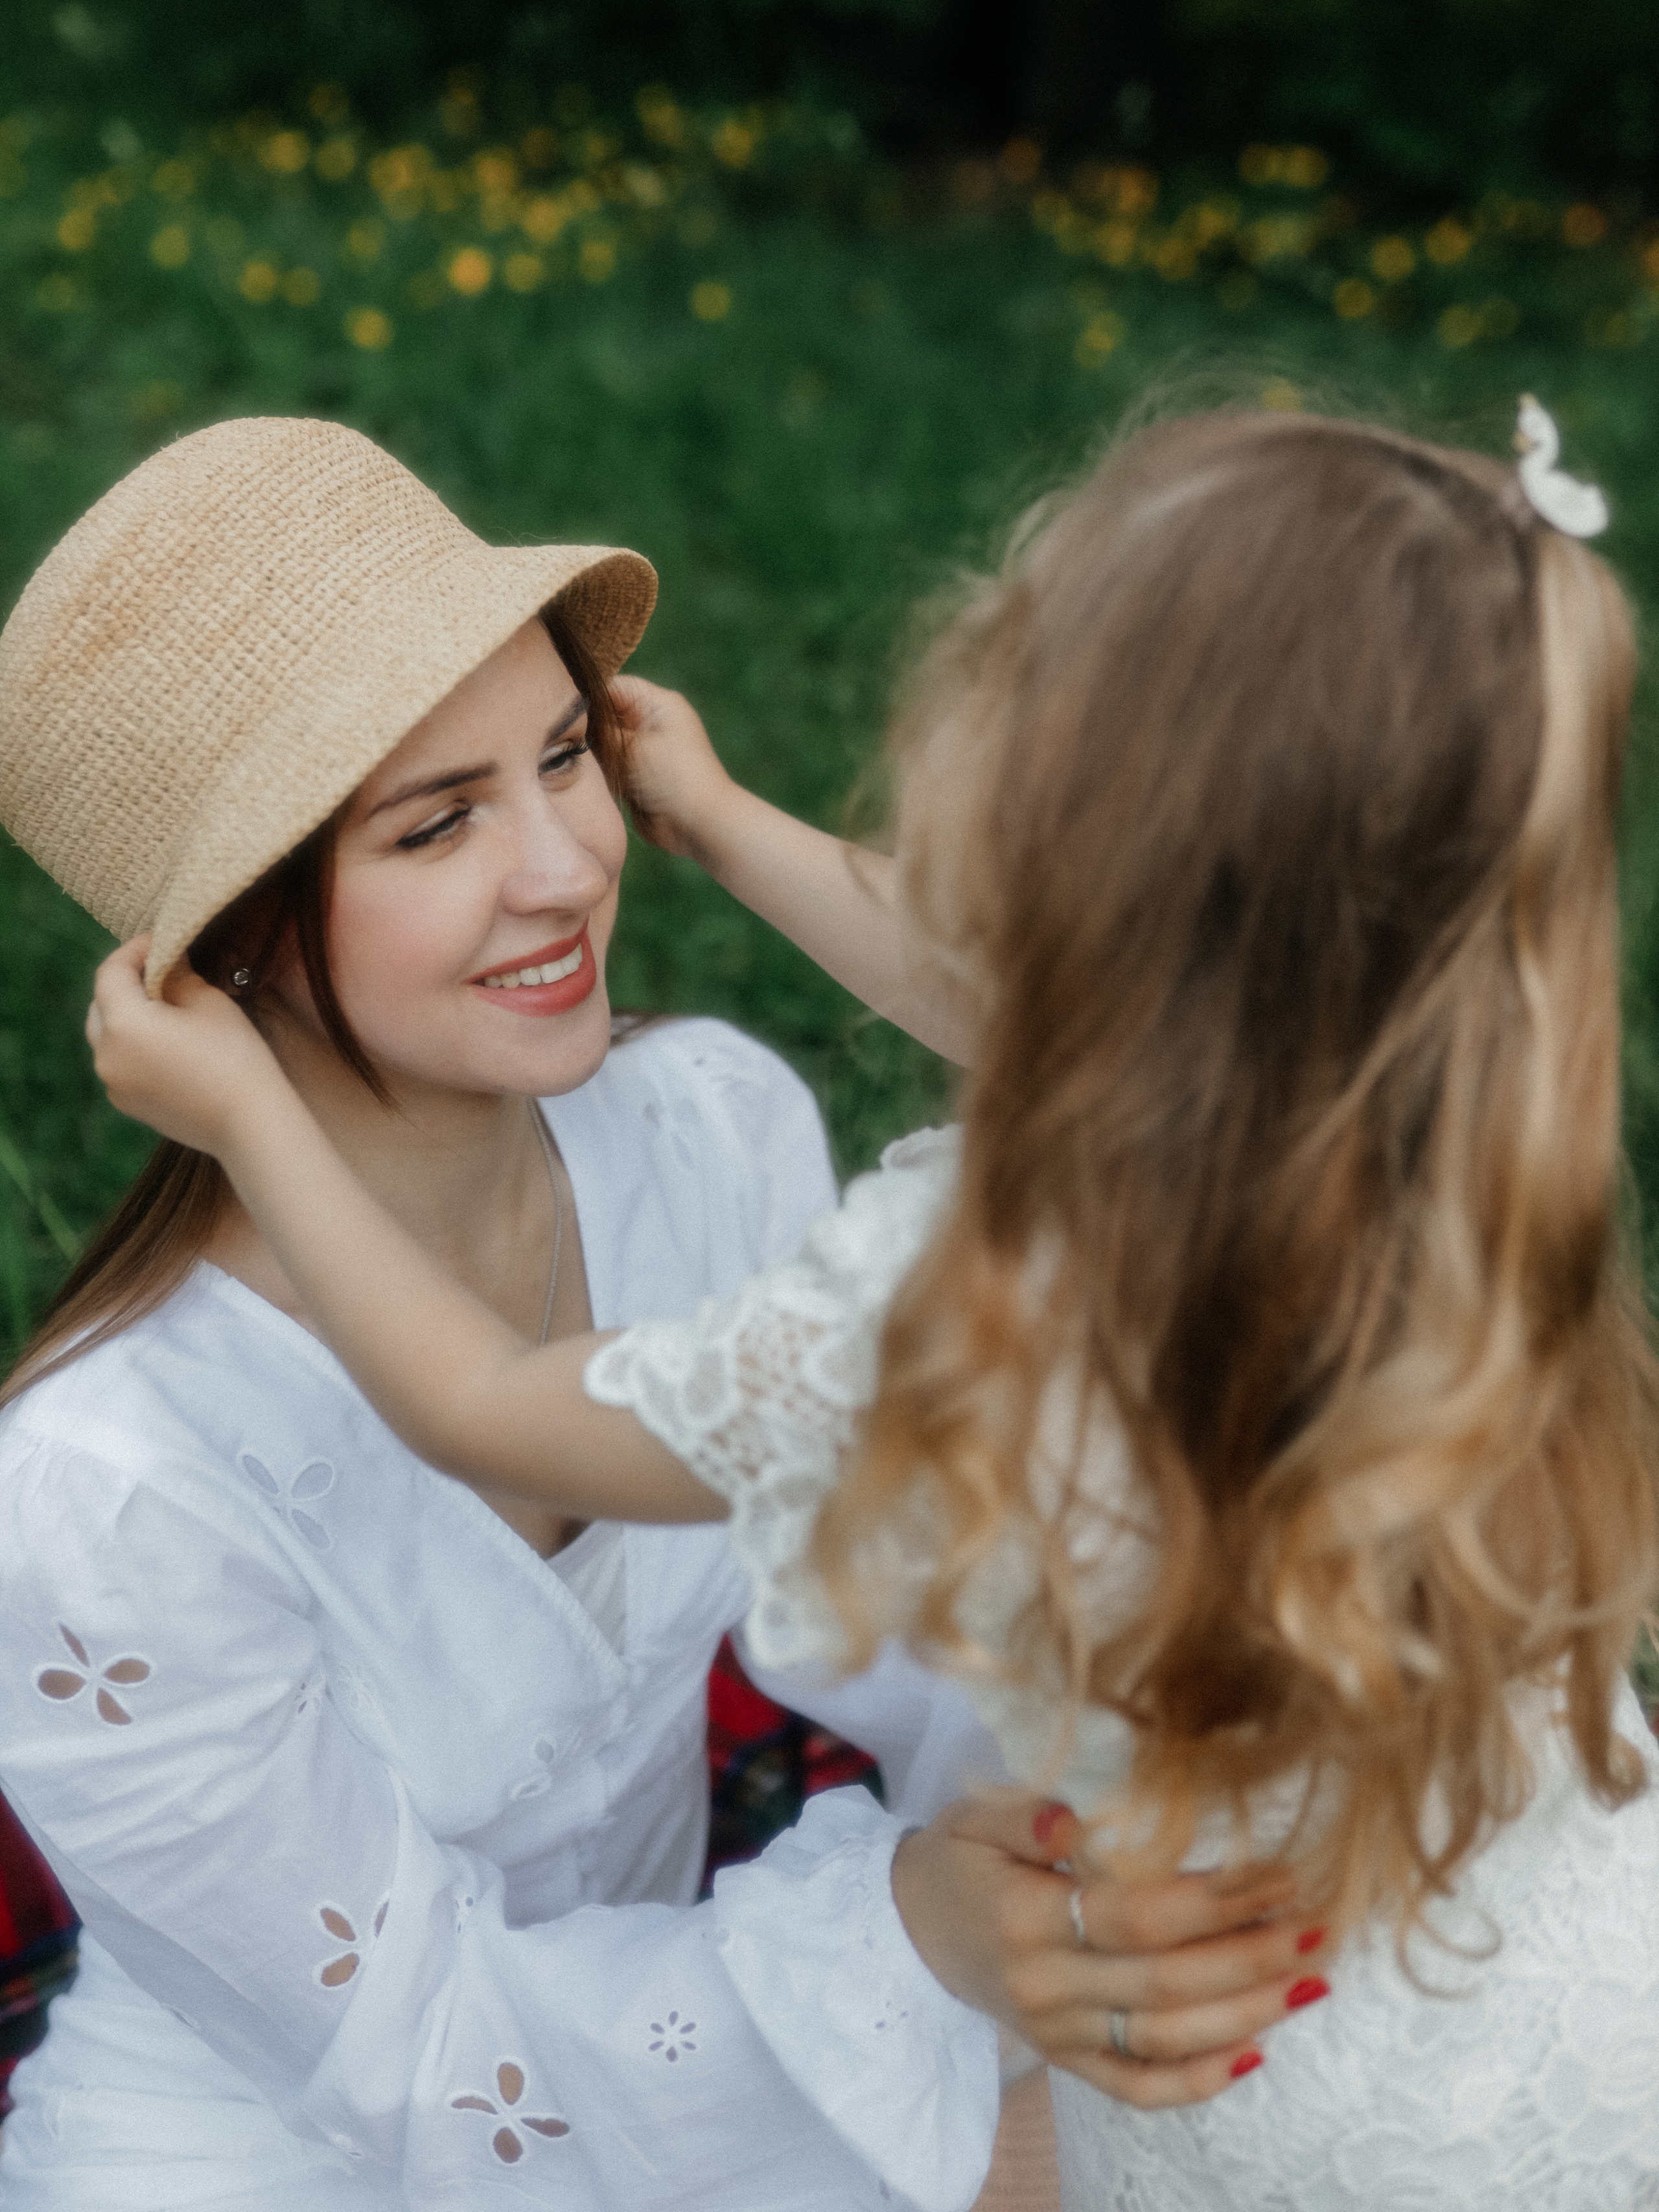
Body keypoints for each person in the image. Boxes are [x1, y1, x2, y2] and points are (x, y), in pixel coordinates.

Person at [88, 400, 1659, 2207]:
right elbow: (1031, 1012)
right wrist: (730, 825)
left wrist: (242, 1119)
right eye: (442, 819)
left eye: (563, 763)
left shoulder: (957, 1299)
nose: (564, 863)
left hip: (1260, 2081)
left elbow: (483, 1397)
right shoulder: (1412, 1139)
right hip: (1574, 1984)